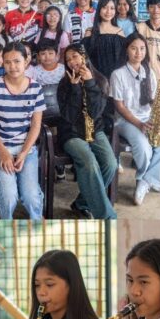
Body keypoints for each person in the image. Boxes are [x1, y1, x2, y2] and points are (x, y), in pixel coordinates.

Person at [0, 41, 45, 219]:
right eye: (7, 62)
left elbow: (36, 125)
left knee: (31, 197)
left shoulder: (35, 88)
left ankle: (38, 224)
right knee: (10, 196)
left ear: (26, 61)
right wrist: (3, 152)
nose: (12, 66)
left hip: (26, 147)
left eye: (17, 61)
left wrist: (24, 153)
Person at [111, 33, 160, 205]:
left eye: (141, 48)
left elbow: (153, 99)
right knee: (144, 149)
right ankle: (147, 180)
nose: (138, 52)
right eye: (133, 48)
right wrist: (139, 124)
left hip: (148, 116)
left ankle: (144, 181)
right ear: (126, 50)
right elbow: (120, 106)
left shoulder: (150, 72)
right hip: (126, 121)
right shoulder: (118, 74)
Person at [56, 43, 117, 219]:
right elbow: (68, 116)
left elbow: (96, 112)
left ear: (84, 57)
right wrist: (75, 88)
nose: (72, 62)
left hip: (95, 130)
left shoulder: (100, 80)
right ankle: (107, 217)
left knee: (110, 164)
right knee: (89, 162)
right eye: (67, 60)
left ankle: (82, 203)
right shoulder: (64, 84)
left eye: (75, 56)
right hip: (71, 133)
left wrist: (89, 83)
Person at [84, 0, 126, 82]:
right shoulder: (89, 32)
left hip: (115, 80)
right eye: (105, 7)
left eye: (112, 8)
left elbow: (123, 60)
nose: (108, 12)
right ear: (99, 9)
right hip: (94, 79)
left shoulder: (119, 32)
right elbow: (85, 59)